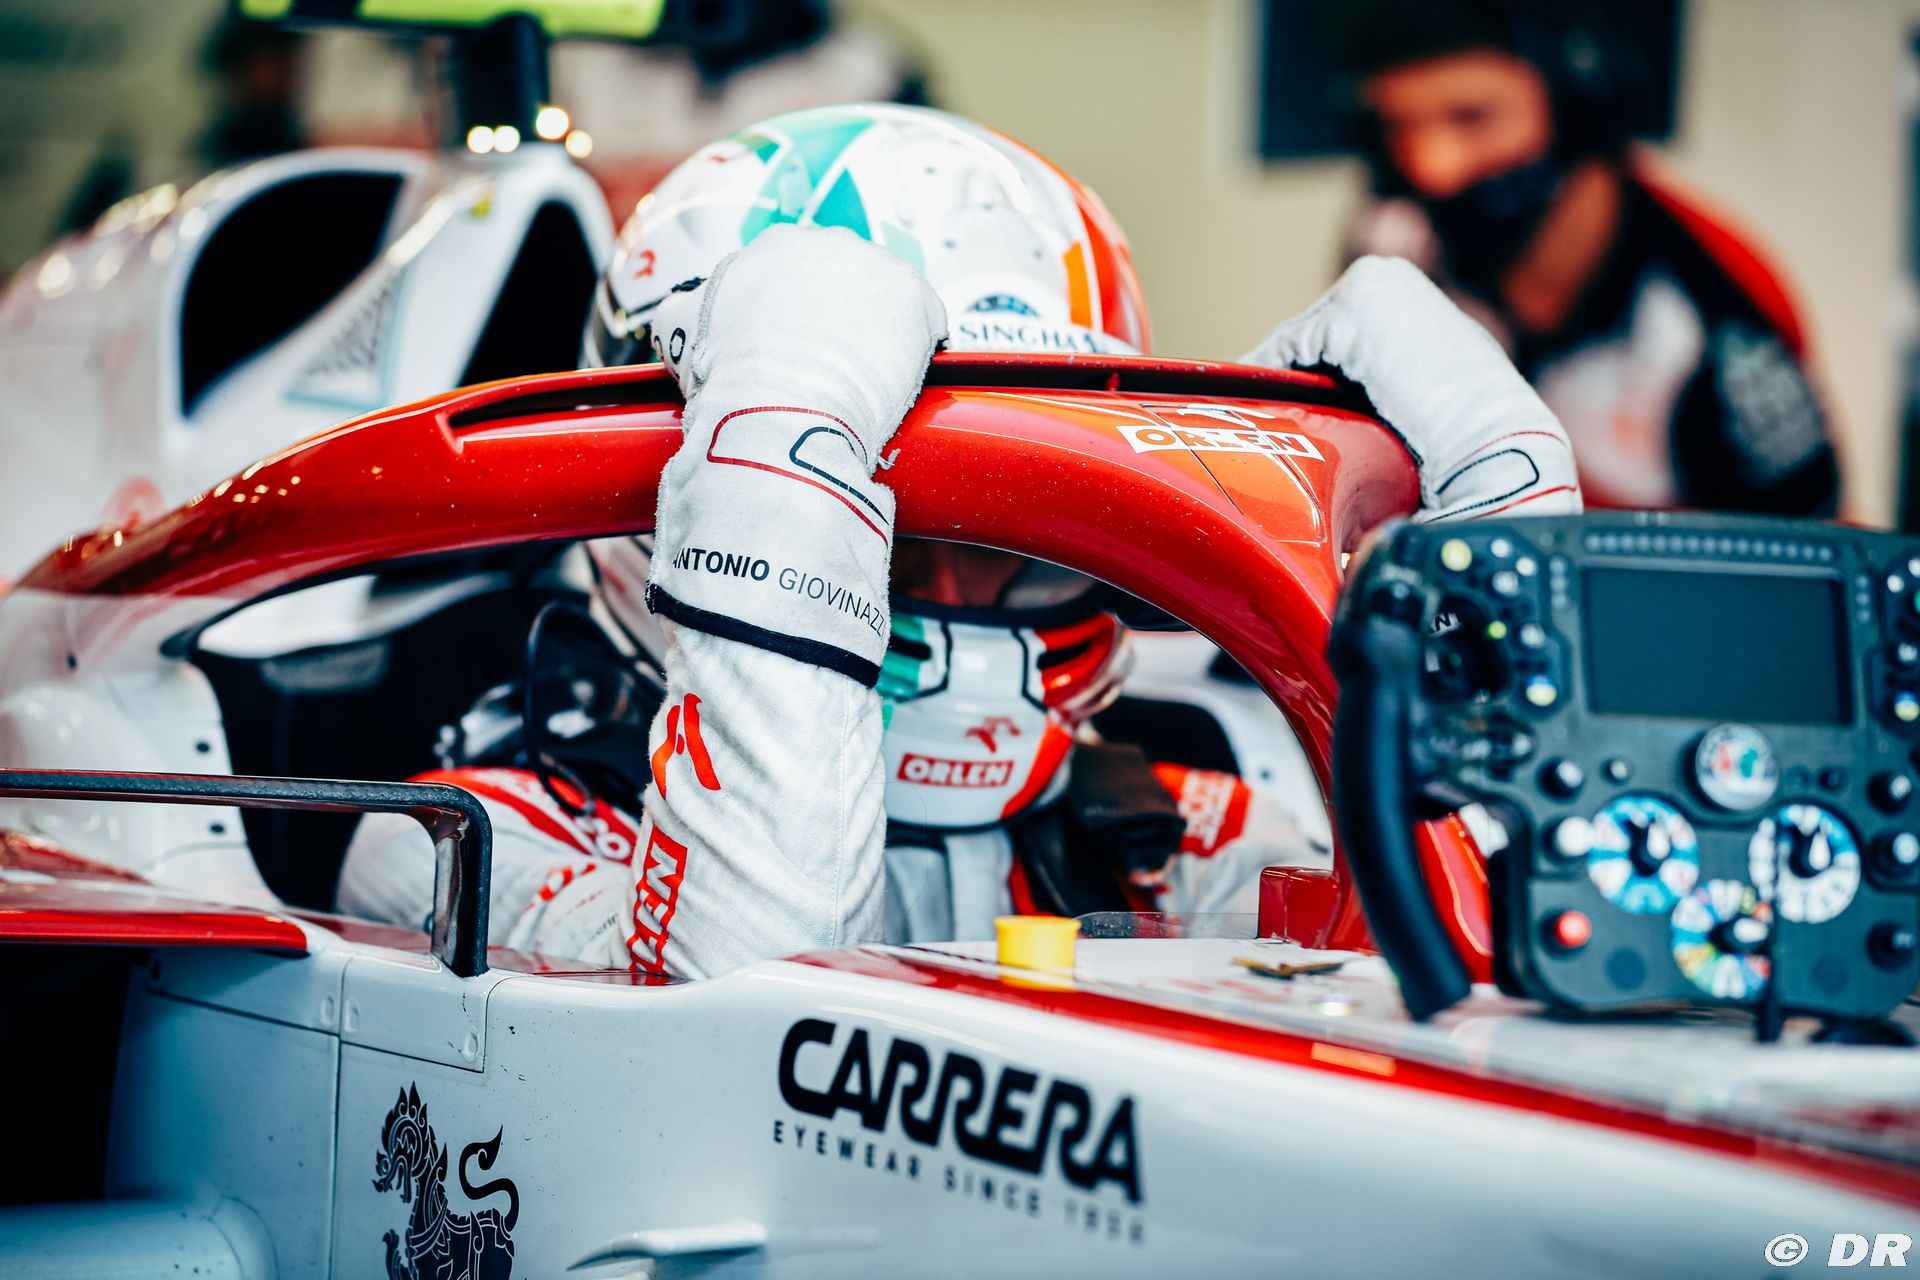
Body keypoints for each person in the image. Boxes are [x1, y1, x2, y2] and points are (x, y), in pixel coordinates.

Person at [337, 104, 1579, 976]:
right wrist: (782, 443)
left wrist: (1510, 530)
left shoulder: (1182, 836)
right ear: (693, 486)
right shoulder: (456, 842)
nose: (954, 594)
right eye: (882, 530)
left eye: (1014, 532)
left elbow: (1485, 988)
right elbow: (735, 1025)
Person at [1337, 0, 1839, 516]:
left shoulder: (1712, 305)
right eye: (1396, 127)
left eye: (1473, 117)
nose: (1431, 166)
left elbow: (1808, 548)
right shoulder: (1395, 241)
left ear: (1573, 107)